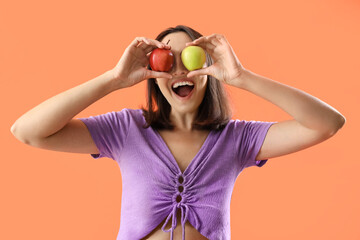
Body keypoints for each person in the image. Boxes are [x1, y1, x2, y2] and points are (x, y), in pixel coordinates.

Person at [10, 25, 346, 240]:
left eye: (191, 58)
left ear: (208, 71)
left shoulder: (236, 139)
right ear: (153, 72)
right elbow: (28, 131)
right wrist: (113, 79)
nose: (180, 71)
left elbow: (327, 124)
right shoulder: (127, 130)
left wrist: (241, 76)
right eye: (166, 61)